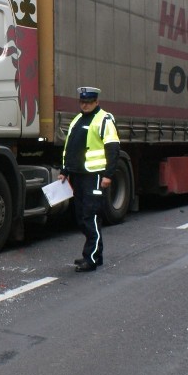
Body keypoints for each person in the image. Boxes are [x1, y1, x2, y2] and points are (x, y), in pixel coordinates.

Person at [58, 86, 120, 272]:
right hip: (78, 175)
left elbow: (113, 148)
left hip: (94, 175)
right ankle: (94, 254)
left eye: (88, 102)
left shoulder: (104, 120)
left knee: (90, 216)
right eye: (82, 102)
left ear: (96, 102)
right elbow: (69, 148)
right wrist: (64, 171)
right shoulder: (77, 119)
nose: (84, 105)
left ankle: (91, 258)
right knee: (80, 216)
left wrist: (108, 175)